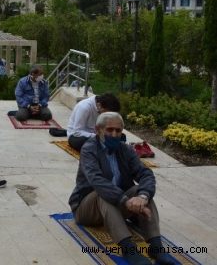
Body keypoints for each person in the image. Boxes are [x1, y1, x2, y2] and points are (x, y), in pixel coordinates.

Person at [69, 112, 176, 265]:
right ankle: (129, 250)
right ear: (98, 130)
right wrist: (125, 201)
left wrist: (143, 197)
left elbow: (145, 174)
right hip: (87, 209)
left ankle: (156, 247)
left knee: (142, 190)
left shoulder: (125, 149)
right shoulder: (89, 149)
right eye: (109, 130)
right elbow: (97, 181)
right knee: (103, 193)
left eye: (118, 131)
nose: (114, 134)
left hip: (117, 205)